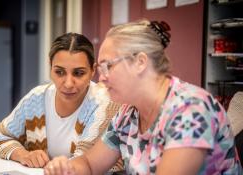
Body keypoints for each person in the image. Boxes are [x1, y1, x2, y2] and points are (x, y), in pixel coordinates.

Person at [44, 19, 243, 174]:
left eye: (108, 66)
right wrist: (67, 168)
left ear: (140, 62)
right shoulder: (127, 113)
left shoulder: (192, 109)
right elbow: (89, 163)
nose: (101, 77)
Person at [0, 33, 122, 169]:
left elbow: (82, 165)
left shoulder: (104, 104)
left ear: (93, 70)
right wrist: (23, 155)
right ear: (50, 67)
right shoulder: (36, 98)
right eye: (59, 72)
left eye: (78, 73)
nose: (68, 83)